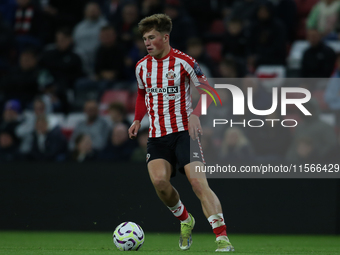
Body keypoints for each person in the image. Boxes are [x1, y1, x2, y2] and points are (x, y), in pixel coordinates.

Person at [128, 14, 234, 252]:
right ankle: (186, 219)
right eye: (145, 38)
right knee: (159, 182)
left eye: (151, 37)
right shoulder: (141, 67)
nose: (147, 42)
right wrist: (137, 119)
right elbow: (142, 95)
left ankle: (222, 237)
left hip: (184, 133)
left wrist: (196, 113)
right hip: (157, 137)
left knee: (198, 184)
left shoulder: (184, 62)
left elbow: (209, 92)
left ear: (165, 38)